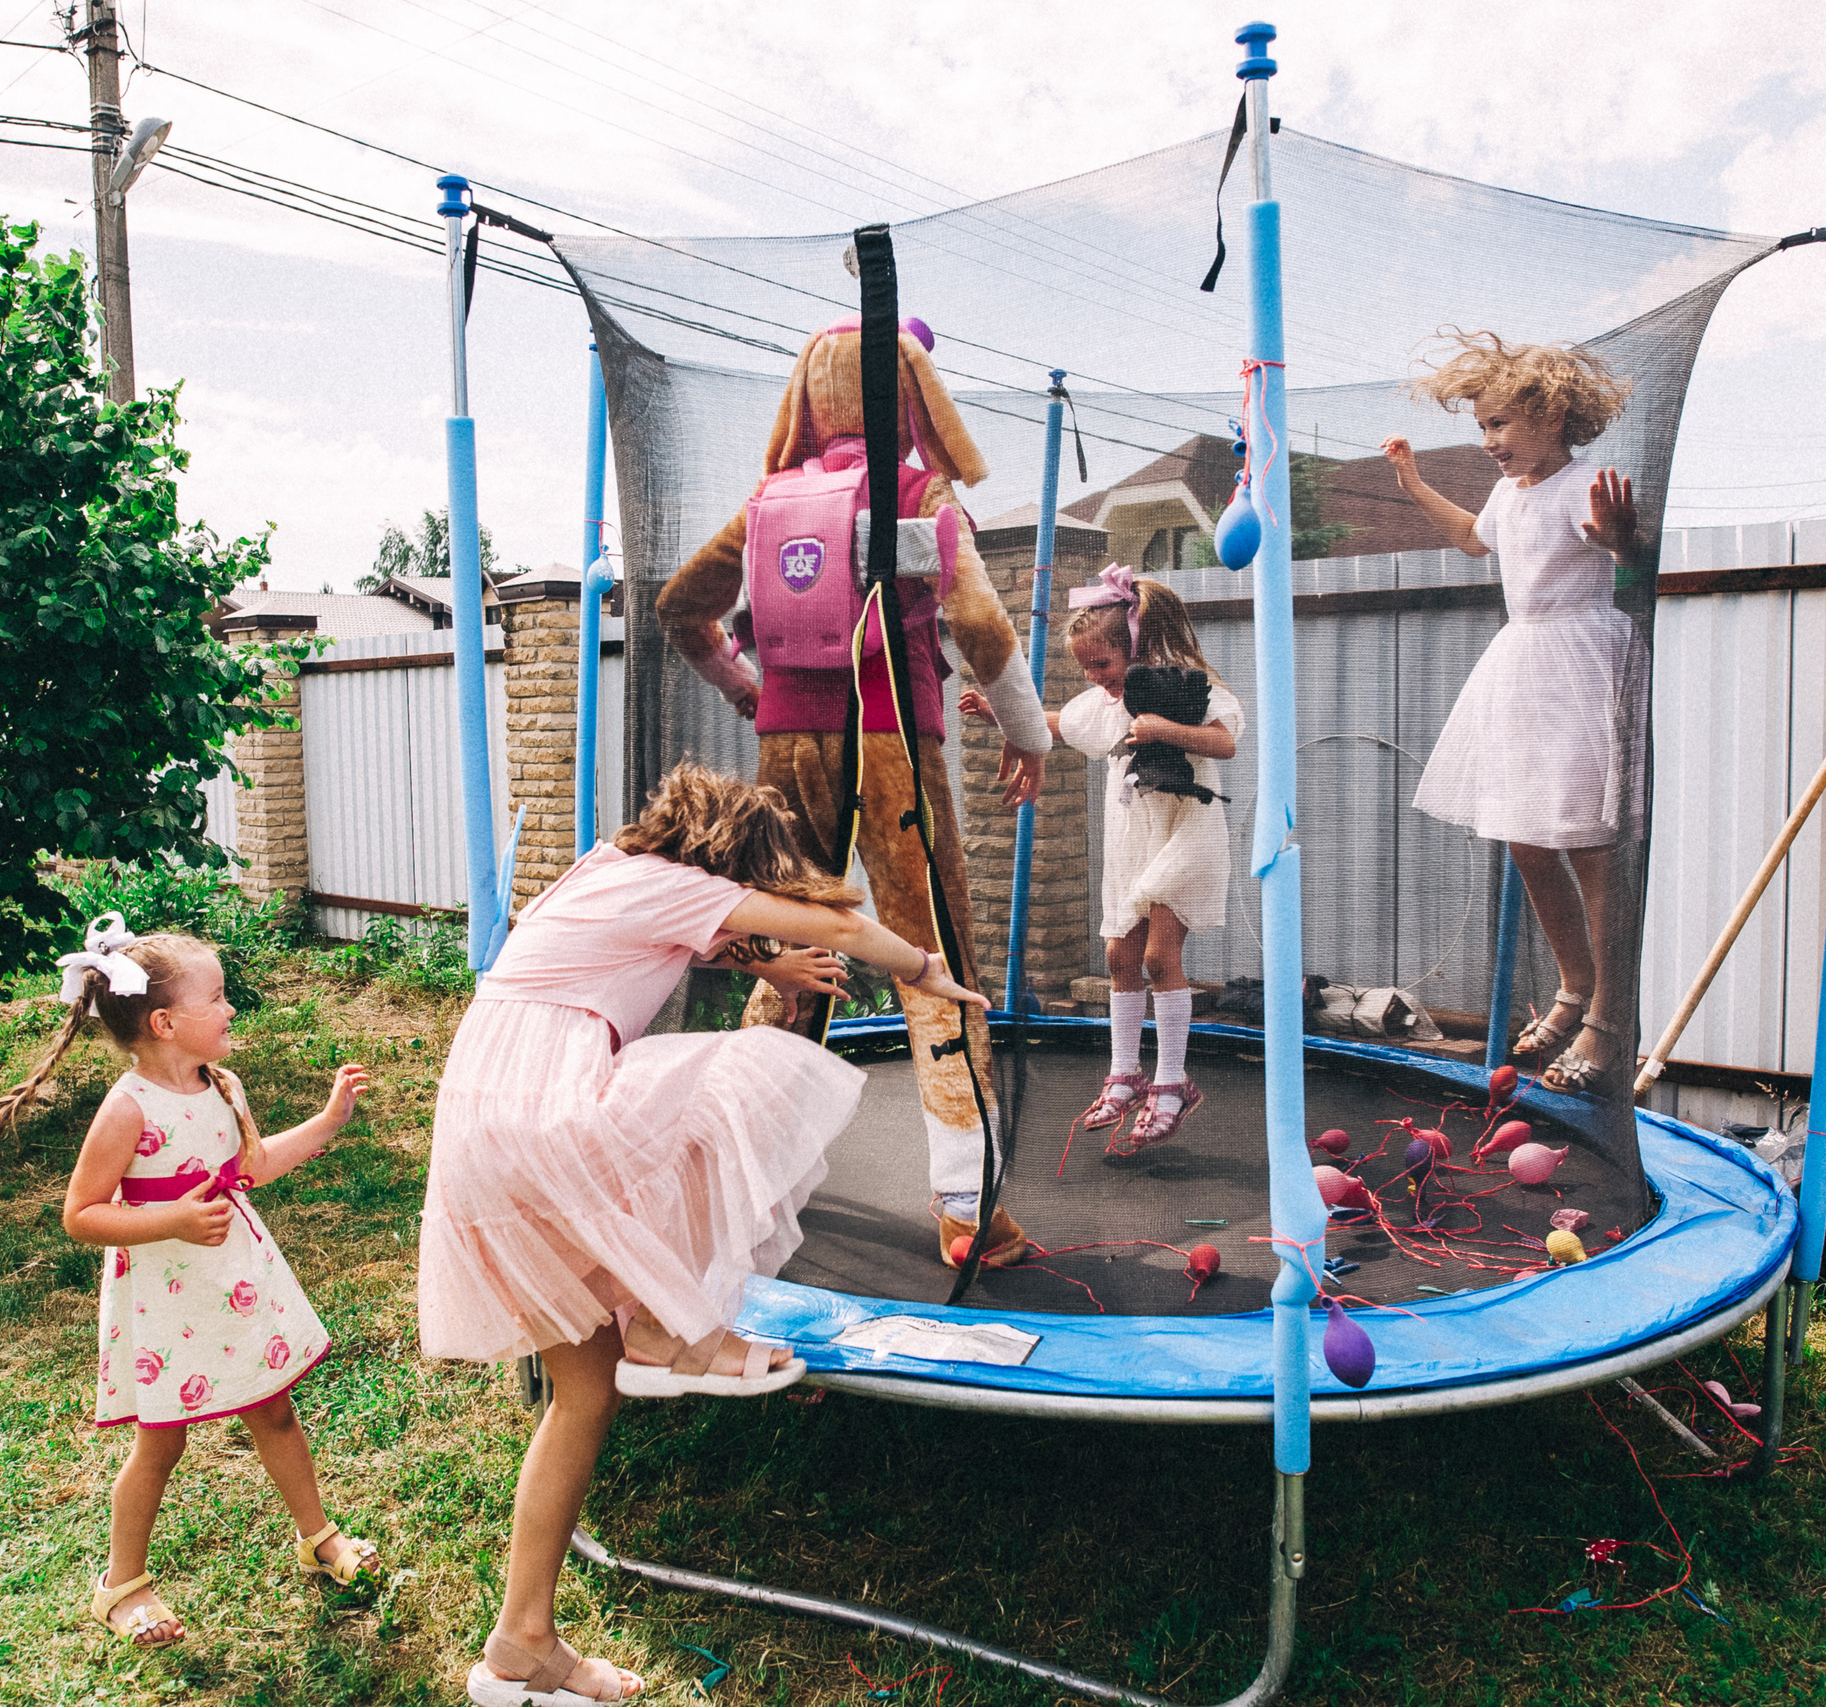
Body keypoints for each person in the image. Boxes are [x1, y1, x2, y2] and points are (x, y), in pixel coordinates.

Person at [421, 763, 987, 1707]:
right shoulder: (685, 885)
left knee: (582, 1394)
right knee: (745, 1077)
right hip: (544, 1113)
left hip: (483, 1118)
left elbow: (683, 939)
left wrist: (760, 961)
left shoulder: (607, 866)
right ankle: (665, 1323)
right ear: (731, 860)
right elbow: (841, 923)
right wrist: (929, 972)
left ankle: (520, 1645)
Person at [655, 316, 1048, 1269]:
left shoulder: (768, 502)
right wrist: (1030, 735)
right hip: (893, 742)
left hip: (788, 747)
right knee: (931, 954)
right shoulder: (918, 488)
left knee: (794, 953)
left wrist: (747, 687)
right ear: (912, 396)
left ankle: (738, 1186)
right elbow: (986, 631)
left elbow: (679, 608)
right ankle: (967, 1208)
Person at [0, 915, 376, 1648]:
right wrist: (170, 1218)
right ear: (167, 1021)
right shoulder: (127, 1107)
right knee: (161, 1442)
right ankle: (122, 1585)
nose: (233, 1008)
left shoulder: (223, 1084)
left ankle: (317, 1535)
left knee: (274, 1412)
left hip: (232, 1280)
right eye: (220, 997)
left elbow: (253, 1167)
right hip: (166, 1298)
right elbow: (81, 1214)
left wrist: (330, 1118)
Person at [1381, 330, 1641, 1096]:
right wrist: (1413, 485)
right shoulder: (1510, 491)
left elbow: (1624, 551)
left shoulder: (1584, 482)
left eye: (1500, 424)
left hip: (1581, 660)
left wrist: (1622, 540)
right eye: (1483, 426)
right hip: (1521, 664)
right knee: (1526, 839)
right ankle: (1573, 984)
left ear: (1553, 417)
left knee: (1589, 844)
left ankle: (1609, 1020)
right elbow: (1471, 539)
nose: (1490, 440)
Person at [968, 566, 1241, 1154]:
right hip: (1132, 838)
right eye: (1087, 669)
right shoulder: (1101, 704)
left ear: (1135, 648)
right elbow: (1056, 725)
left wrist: (1164, 727)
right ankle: (1125, 1074)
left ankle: (1172, 1084)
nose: (1096, 678)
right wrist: (998, 714)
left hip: (1184, 830)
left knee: (1159, 956)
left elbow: (1225, 742)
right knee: (1120, 953)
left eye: (1103, 666)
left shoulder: (1188, 688)